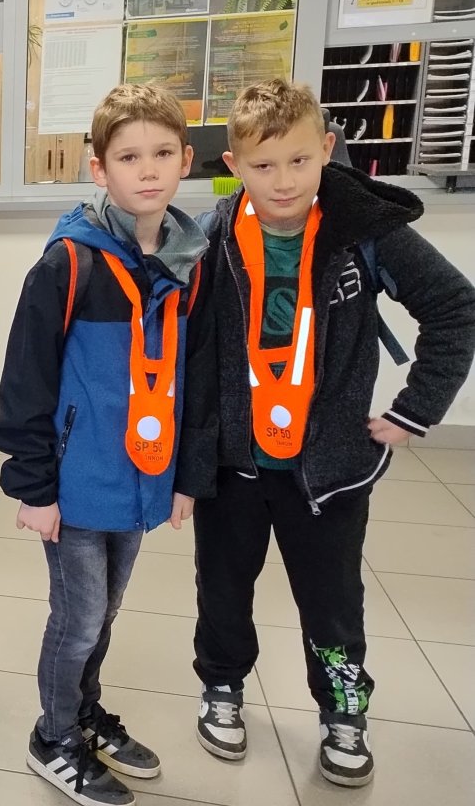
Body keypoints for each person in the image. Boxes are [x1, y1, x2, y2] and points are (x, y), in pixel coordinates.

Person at [187, 79, 475, 788]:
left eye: (298, 160)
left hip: (329, 468)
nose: (282, 181)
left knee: (332, 600)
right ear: (234, 165)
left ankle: (344, 709)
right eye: (263, 166)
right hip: (233, 465)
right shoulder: (213, 237)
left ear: (327, 149)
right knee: (222, 587)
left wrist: (414, 409)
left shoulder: (362, 233)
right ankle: (222, 686)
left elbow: (455, 307)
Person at [0, 84, 209, 806]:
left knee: (105, 612)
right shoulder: (69, 263)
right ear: (99, 169)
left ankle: (84, 713)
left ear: (186, 160)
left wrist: (184, 476)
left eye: (162, 154)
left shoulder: (189, 262)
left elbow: (191, 379)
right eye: (128, 157)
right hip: (76, 481)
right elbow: (24, 380)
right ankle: (53, 736)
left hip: (144, 474)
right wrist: (34, 487)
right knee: (79, 617)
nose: (147, 170)